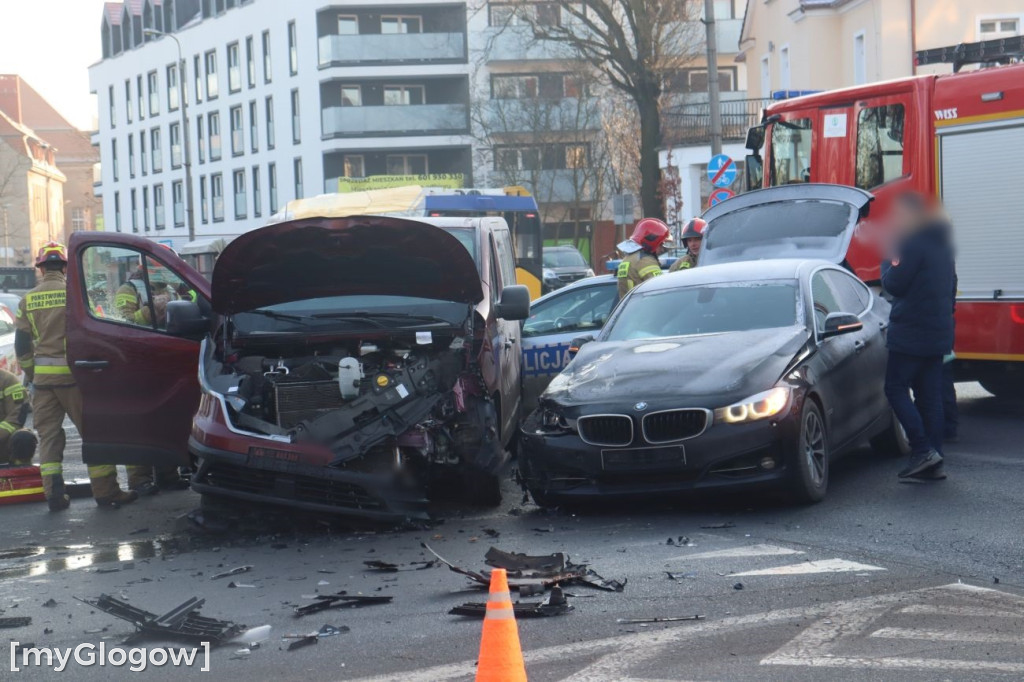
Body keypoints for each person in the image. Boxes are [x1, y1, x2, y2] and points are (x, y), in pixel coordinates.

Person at [14, 241, 138, 510]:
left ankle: (54, 495)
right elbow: (94, 332)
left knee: (49, 439)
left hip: (44, 384)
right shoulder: (76, 295)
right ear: (64, 267)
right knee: (94, 434)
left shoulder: (28, 300)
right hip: (77, 378)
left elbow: (22, 346)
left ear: (41, 268)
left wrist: (33, 373)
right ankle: (106, 492)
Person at [880, 193, 956, 482]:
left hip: (911, 333)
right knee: (930, 398)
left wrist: (887, 261)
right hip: (938, 332)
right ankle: (934, 461)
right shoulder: (942, 245)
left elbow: (894, 284)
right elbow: (951, 289)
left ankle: (922, 450)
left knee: (895, 388)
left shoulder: (910, 243)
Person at [616, 218, 671, 300]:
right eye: (660, 244)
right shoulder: (645, 261)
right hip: (643, 306)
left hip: (629, 306)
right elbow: (660, 290)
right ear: (653, 242)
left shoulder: (627, 259)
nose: (662, 249)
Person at [0, 367, 36, 466]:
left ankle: (21, 471)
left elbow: (17, 416)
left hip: (3, 443)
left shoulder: (7, 380)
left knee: (23, 438)